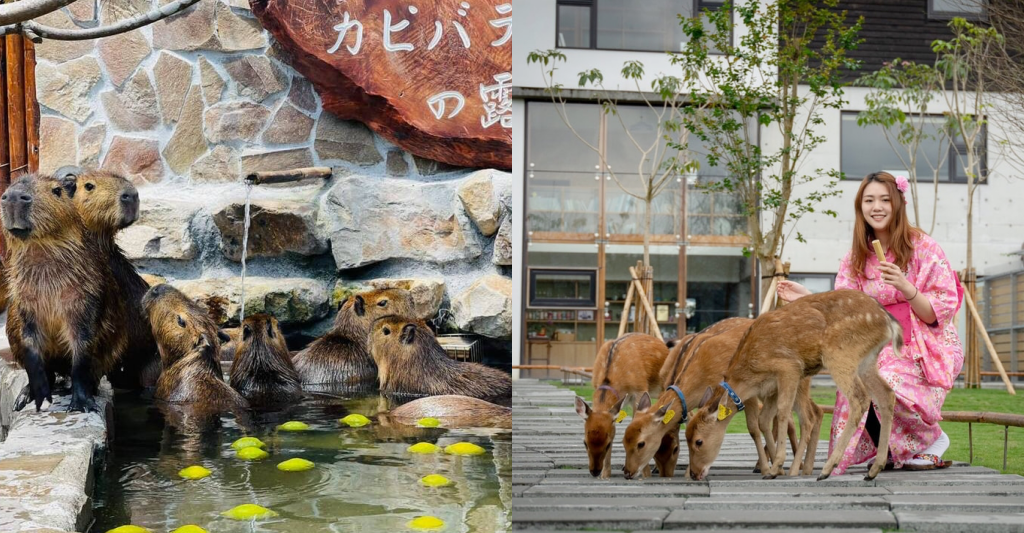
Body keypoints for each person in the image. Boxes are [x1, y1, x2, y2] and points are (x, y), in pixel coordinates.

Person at [777, 171, 963, 473]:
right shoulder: (856, 257)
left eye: (885, 199)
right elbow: (845, 311)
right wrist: (807, 298)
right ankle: (890, 448)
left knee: (885, 376)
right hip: (878, 339)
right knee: (856, 377)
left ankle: (934, 441)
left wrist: (907, 287)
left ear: (898, 204)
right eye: (869, 200)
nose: (876, 207)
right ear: (859, 206)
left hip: (923, 340)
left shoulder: (924, 247)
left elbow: (937, 312)